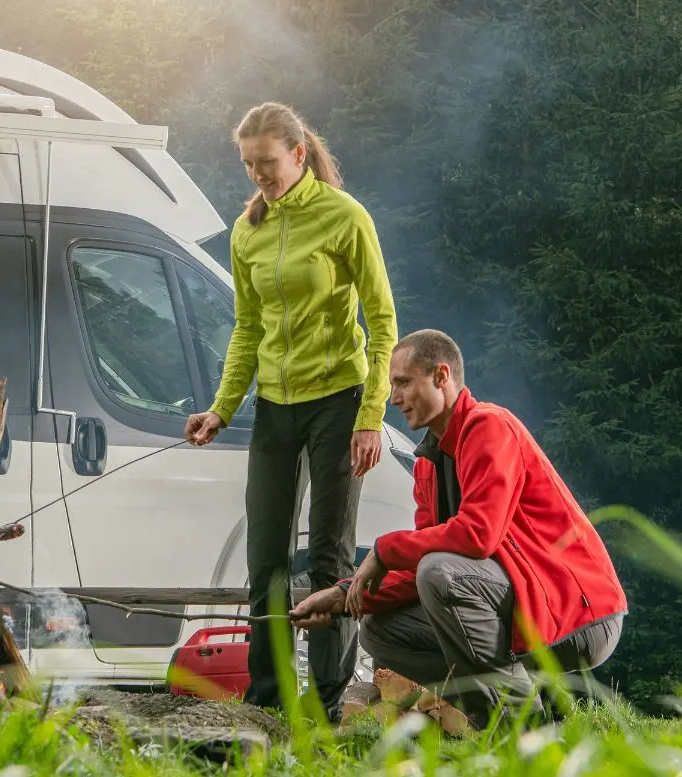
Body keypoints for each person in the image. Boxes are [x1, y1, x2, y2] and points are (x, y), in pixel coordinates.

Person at [290, 329, 627, 729]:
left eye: (402, 382)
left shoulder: (490, 427)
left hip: (578, 616)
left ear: (440, 376)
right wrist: (345, 596)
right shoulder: (428, 466)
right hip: (518, 611)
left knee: (440, 573)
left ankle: (523, 723)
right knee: (380, 631)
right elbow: (417, 572)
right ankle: (507, 714)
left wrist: (384, 550)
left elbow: (477, 535)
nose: (393, 398)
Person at [184, 101, 399, 719]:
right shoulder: (245, 230)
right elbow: (247, 328)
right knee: (266, 555)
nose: (259, 175)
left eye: (268, 163)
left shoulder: (344, 217)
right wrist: (222, 410)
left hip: (338, 399)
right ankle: (268, 702)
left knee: (331, 557)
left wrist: (370, 416)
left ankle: (329, 704)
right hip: (275, 406)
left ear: (299, 154)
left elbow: (382, 322)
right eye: (249, 165)